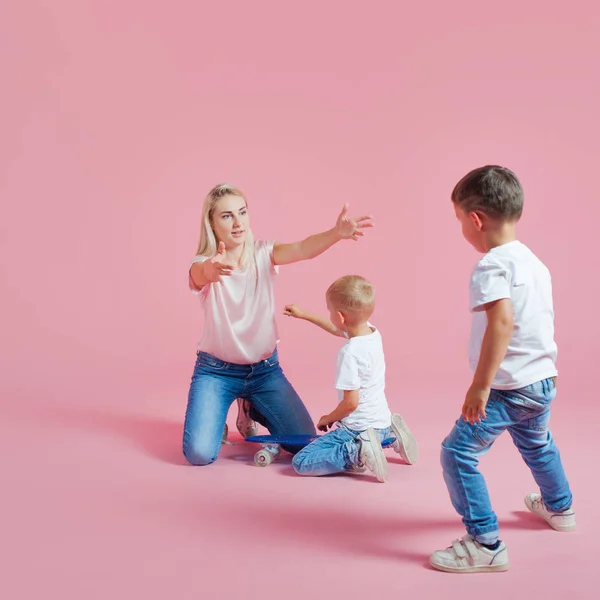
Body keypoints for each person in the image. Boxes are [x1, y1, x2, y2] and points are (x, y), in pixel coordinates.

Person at [430, 166, 575, 574]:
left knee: (456, 453)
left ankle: (485, 543)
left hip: (508, 388)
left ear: (476, 220)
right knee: (537, 444)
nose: (462, 227)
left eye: (460, 219)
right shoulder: (533, 261)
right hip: (542, 380)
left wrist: (480, 386)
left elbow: (502, 323)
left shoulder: (492, 265)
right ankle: (560, 508)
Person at [183, 183, 373, 465]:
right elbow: (200, 274)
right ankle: (225, 404)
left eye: (242, 212)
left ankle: (250, 406)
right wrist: (212, 269)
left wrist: (335, 234)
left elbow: (303, 248)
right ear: (211, 223)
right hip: (216, 372)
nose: (238, 222)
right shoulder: (204, 262)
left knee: (303, 443)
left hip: (264, 372)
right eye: (226, 216)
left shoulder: (264, 253)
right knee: (199, 454)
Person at [283, 275, 418, 482]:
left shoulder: (349, 353)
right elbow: (338, 329)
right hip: (381, 423)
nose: (329, 316)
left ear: (340, 316)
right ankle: (392, 437)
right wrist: (305, 315)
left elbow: (351, 403)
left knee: (302, 462)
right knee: (374, 432)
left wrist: (329, 418)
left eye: (330, 311)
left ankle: (358, 452)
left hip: (356, 429)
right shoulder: (372, 333)